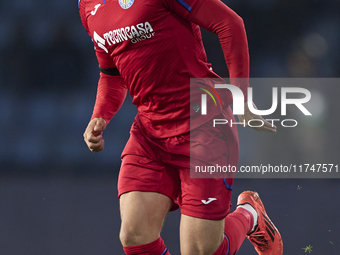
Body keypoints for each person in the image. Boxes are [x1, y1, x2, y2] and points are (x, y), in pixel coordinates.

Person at [79, 0, 283, 254]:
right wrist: (100, 115)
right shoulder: (88, 6)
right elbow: (111, 73)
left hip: (204, 126)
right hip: (150, 134)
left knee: (201, 251)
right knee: (134, 236)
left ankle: (250, 214)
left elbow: (230, 24)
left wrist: (241, 98)